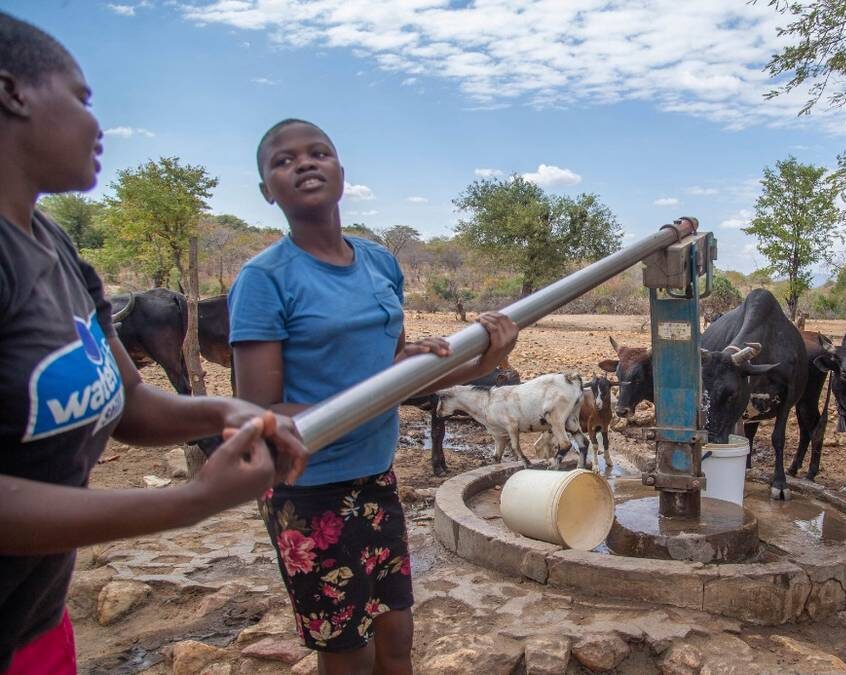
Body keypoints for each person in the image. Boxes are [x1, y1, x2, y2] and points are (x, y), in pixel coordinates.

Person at [0, 12, 309, 674]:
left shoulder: (54, 247)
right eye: (83, 99)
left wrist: (222, 413)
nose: (98, 125)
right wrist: (189, 502)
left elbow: (130, 401)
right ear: (12, 92)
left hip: (33, 619)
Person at [230, 118, 519, 675]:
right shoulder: (265, 279)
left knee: (397, 636)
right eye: (283, 161)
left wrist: (486, 361)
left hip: (376, 477)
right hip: (309, 489)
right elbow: (260, 412)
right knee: (348, 653)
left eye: (319, 152)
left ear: (341, 170)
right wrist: (381, 382)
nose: (304, 164)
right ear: (268, 190)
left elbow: (399, 379)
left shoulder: (379, 262)